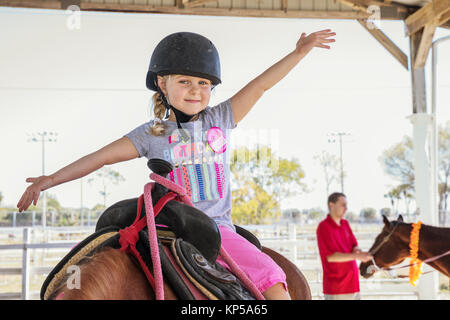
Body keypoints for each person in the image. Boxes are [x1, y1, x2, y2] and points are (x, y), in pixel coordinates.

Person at [17, 30, 336, 300]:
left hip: (216, 230)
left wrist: (299, 53)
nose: (195, 90)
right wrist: (49, 180)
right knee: (80, 266)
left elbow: (261, 85)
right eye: (184, 82)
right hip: (164, 227)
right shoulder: (152, 133)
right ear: (162, 84)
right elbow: (99, 158)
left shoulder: (221, 118)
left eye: (203, 83)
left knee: (271, 277)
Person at [316, 192, 372, 300]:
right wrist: (358, 256)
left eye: (346, 205)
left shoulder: (345, 224)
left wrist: (358, 251)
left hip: (353, 285)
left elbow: (354, 246)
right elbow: (331, 257)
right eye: (343, 205)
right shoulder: (324, 227)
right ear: (331, 205)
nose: (346, 208)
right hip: (337, 288)